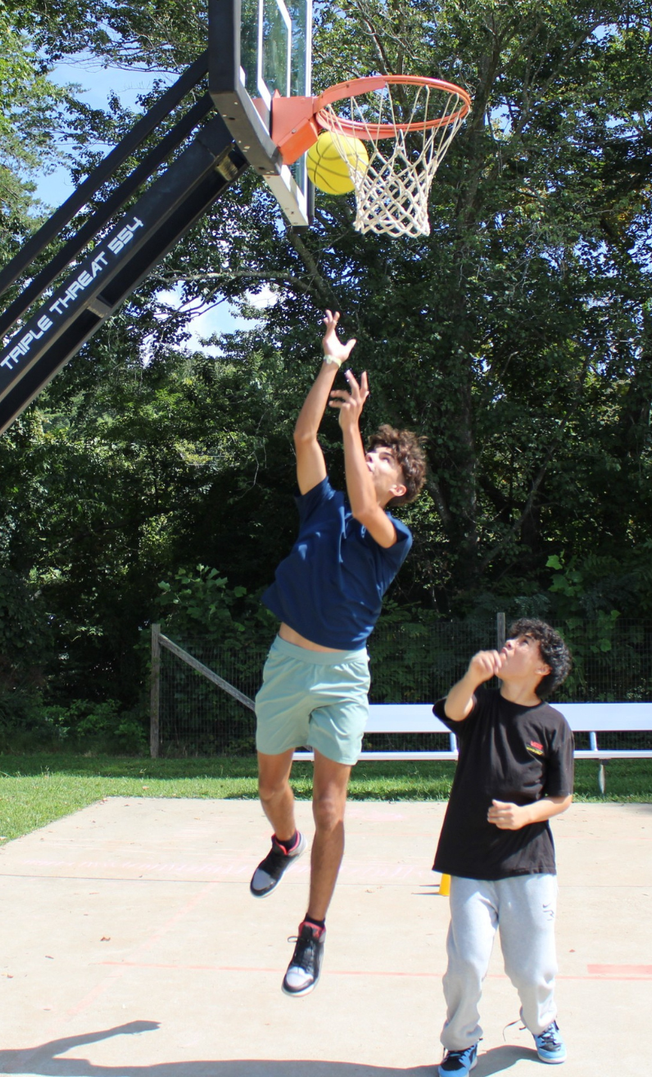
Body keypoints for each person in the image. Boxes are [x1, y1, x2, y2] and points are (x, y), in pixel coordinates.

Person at [248, 309, 427, 998]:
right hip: (288, 663)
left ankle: (312, 930)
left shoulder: (393, 535)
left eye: (384, 460)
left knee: (332, 807)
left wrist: (354, 428)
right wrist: (328, 363)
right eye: (370, 450)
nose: (373, 460)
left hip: (344, 677)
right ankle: (282, 843)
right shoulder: (321, 505)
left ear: (398, 487)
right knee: (271, 790)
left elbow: (361, 493)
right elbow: (302, 435)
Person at [431, 619, 575, 1075]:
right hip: (470, 860)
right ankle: (460, 1042)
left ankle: (542, 1022)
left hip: (529, 864)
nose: (509, 644)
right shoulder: (482, 706)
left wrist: (525, 815)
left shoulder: (553, 724)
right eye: (510, 639)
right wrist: (473, 677)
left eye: (524, 643)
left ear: (542, 667)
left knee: (531, 971)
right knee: (466, 965)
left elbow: (561, 797)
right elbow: (454, 710)